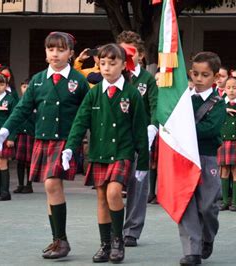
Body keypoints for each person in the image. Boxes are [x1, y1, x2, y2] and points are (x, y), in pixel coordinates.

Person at [0, 31, 89, 259]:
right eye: (50, 49)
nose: (55, 54)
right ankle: (57, 239)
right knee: (50, 190)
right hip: (42, 139)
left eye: (60, 49)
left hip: (65, 141)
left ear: (71, 53)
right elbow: (22, 109)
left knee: (51, 185)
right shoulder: (37, 80)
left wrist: (87, 141)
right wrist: (7, 128)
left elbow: (88, 113)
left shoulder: (78, 81)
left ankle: (62, 240)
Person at [62, 43, 149, 263]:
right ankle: (105, 245)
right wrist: (70, 147)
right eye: (102, 63)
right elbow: (80, 122)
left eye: (113, 63)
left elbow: (140, 130)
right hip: (99, 153)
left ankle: (118, 240)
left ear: (123, 65)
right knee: (102, 198)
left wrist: (143, 165)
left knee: (113, 193)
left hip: (122, 152)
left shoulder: (131, 94)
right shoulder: (94, 94)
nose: (107, 68)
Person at [174, 51, 225, 266]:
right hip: (184, 157)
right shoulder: (184, 99)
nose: (198, 79)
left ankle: (208, 236)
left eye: (205, 75)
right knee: (186, 204)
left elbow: (210, 129)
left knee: (207, 206)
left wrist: (183, 127)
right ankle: (191, 250)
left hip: (206, 157)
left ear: (216, 77)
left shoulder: (218, 103)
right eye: (195, 74)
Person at [117, 30, 159, 247]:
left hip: (139, 139)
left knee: (138, 184)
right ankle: (113, 229)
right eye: (121, 52)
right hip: (115, 139)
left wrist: (152, 128)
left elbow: (154, 106)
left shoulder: (147, 79)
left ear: (140, 55)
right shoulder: (115, 76)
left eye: (130, 52)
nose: (126, 56)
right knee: (112, 186)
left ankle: (132, 230)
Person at [217, 77, 236, 211]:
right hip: (223, 141)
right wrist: (224, 110)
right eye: (228, 87)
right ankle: (225, 200)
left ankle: (235, 201)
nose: (231, 90)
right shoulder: (220, 104)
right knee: (224, 170)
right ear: (224, 89)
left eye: (234, 87)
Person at [13, 79, 35, 194]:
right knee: (20, 161)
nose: (25, 89)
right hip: (20, 135)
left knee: (29, 161)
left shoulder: (36, 102)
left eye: (28, 86)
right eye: (23, 86)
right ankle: (20, 184)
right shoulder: (18, 102)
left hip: (31, 135)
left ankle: (29, 184)